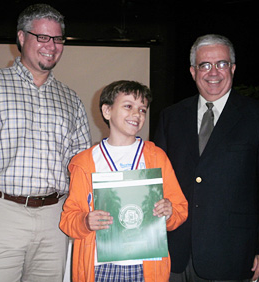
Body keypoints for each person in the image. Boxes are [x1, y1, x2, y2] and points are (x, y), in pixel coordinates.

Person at [0, 4, 91, 281]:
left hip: (54, 220)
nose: (52, 46)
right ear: (21, 38)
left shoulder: (71, 100)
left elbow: (81, 167)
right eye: (42, 37)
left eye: (58, 39)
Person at [154, 34, 259, 282]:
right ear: (193, 71)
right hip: (174, 253)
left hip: (232, 255)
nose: (213, 72)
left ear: (233, 68)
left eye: (222, 64)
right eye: (205, 65)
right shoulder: (170, 117)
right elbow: (156, 181)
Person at [59, 80, 188, 282]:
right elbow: (68, 220)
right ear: (107, 111)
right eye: (128, 106)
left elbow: (180, 208)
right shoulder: (85, 162)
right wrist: (85, 221)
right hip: (99, 265)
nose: (136, 114)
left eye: (142, 109)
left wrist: (169, 212)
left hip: (146, 265)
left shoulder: (156, 157)